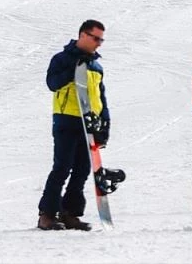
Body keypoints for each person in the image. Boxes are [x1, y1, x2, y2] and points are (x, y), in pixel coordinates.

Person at [37, 19, 110, 231]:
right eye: (96, 38)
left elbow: (100, 98)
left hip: (89, 123)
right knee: (62, 167)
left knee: (82, 169)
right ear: (83, 35)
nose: (98, 43)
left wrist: (104, 126)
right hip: (66, 119)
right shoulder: (61, 59)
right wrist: (73, 71)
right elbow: (52, 84)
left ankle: (69, 213)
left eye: (101, 40)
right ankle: (47, 214)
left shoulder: (96, 66)